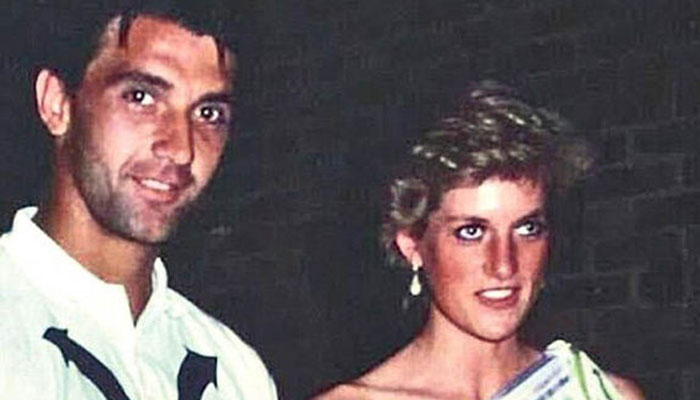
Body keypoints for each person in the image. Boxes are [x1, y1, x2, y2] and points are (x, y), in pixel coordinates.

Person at [0, 2, 277, 399]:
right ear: (57, 103)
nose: (181, 149)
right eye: (141, 97)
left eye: (208, 113)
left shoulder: (235, 370)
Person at [314, 82, 645, 399]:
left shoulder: (600, 394)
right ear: (412, 245)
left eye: (527, 228)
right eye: (471, 231)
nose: (504, 265)